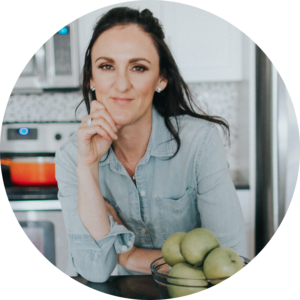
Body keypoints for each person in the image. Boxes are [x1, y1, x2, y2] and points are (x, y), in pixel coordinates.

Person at [55, 6, 247, 283]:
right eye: (107, 66)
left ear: (161, 78)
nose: (121, 85)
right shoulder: (72, 157)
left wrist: (130, 256)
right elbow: (95, 270)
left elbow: (230, 263)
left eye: (138, 67)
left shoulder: (200, 143)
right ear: (91, 78)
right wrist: (87, 167)